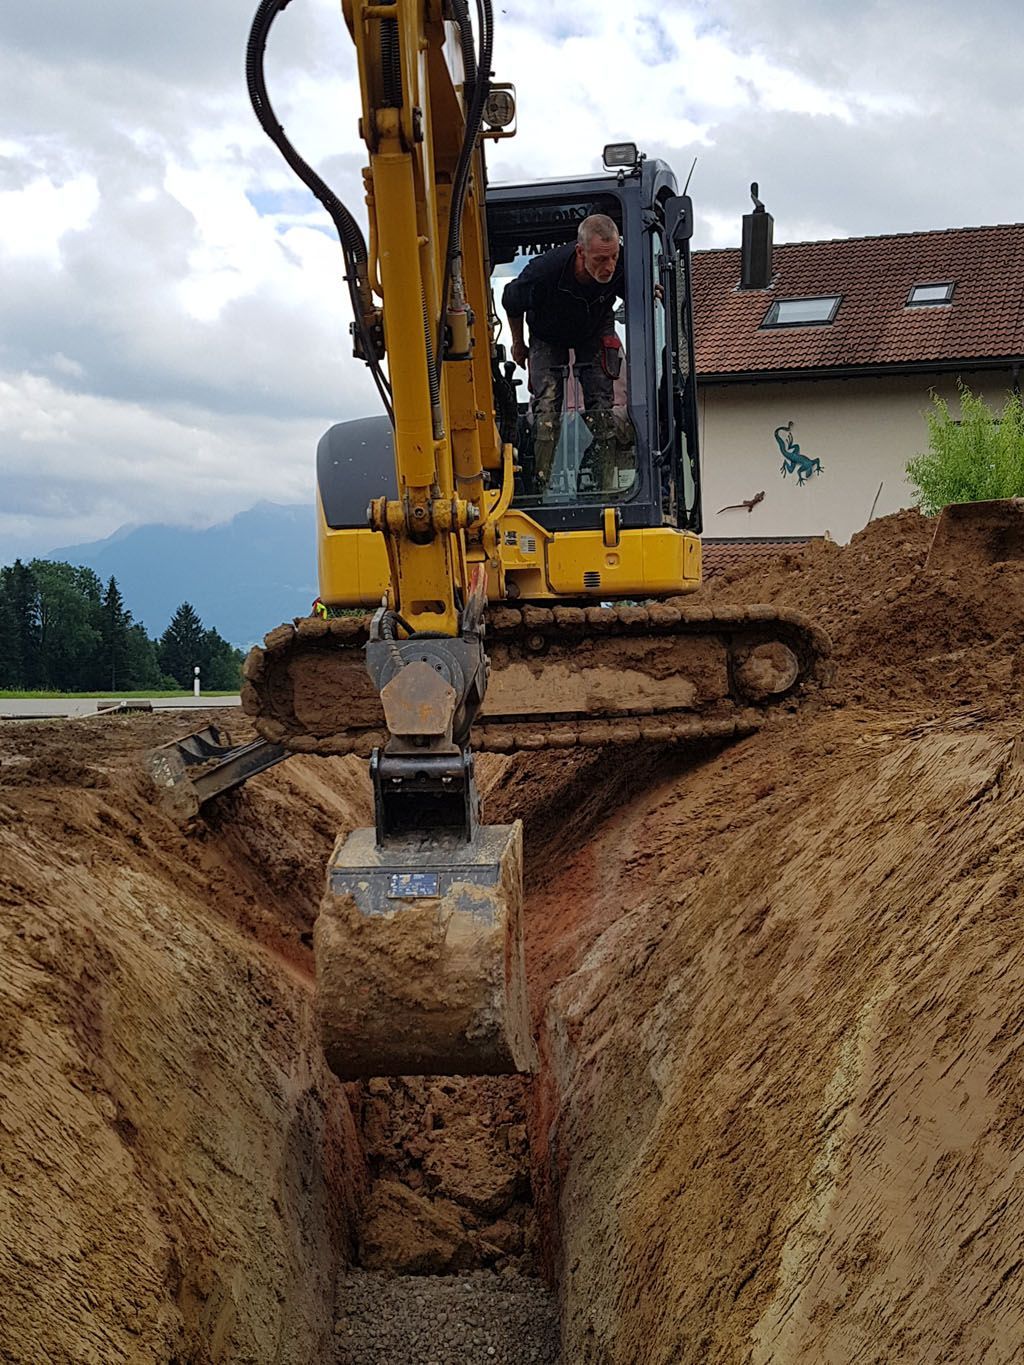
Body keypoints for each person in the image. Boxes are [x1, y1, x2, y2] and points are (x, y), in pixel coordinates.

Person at [502, 213, 629, 494]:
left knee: (602, 409)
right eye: (599, 260)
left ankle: (600, 486)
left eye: (613, 257)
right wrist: (518, 342)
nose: (609, 267)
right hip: (548, 334)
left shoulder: (621, 266)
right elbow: (511, 300)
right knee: (547, 409)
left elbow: (638, 287)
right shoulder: (544, 271)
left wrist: (651, 288)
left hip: (594, 327)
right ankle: (539, 486)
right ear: (581, 252)